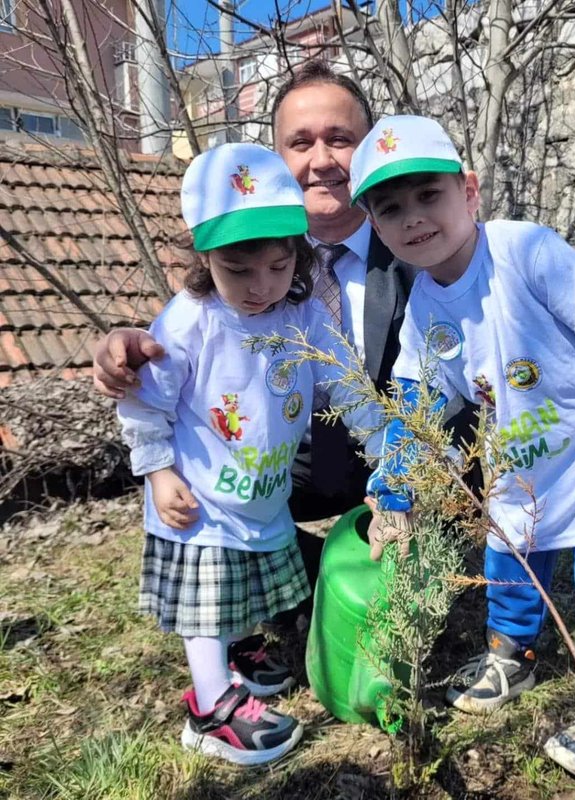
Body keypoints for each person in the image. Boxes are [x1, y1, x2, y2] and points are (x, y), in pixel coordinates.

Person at [353, 115, 575, 785]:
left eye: (428, 196)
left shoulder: (524, 250)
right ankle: (513, 654)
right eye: (391, 209)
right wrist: (395, 490)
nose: (414, 218)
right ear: (377, 230)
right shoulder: (422, 308)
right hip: (520, 464)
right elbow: (414, 405)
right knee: (508, 561)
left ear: (468, 192)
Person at [93, 62, 473, 596]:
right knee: (193, 480)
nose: (321, 161)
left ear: (368, 151)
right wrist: (126, 348)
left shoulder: (422, 248)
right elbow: (191, 351)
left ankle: (419, 568)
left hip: (390, 463)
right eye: (300, 143)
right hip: (277, 472)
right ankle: (291, 590)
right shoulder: (236, 258)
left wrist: (410, 471)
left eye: (340, 139)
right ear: (275, 161)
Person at [116, 142, 383, 766]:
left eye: (277, 265)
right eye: (239, 270)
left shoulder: (304, 317)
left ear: (297, 255)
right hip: (199, 496)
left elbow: (346, 382)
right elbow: (145, 403)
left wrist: (386, 444)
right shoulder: (190, 322)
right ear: (204, 257)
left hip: (262, 493)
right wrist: (156, 473)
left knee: (245, 583)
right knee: (206, 600)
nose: (262, 286)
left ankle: (236, 659)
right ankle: (211, 708)